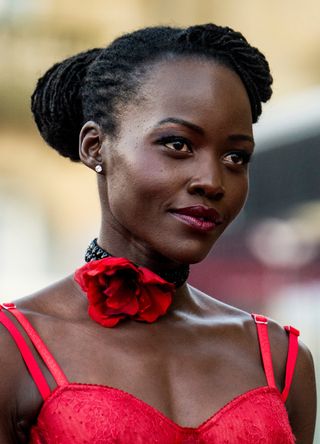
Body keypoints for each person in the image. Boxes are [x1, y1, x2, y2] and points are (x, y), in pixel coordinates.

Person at [0, 24, 316, 443]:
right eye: (177, 144)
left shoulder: (278, 358)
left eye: (236, 156)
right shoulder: (14, 347)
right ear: (95, 146)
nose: (212, 181)